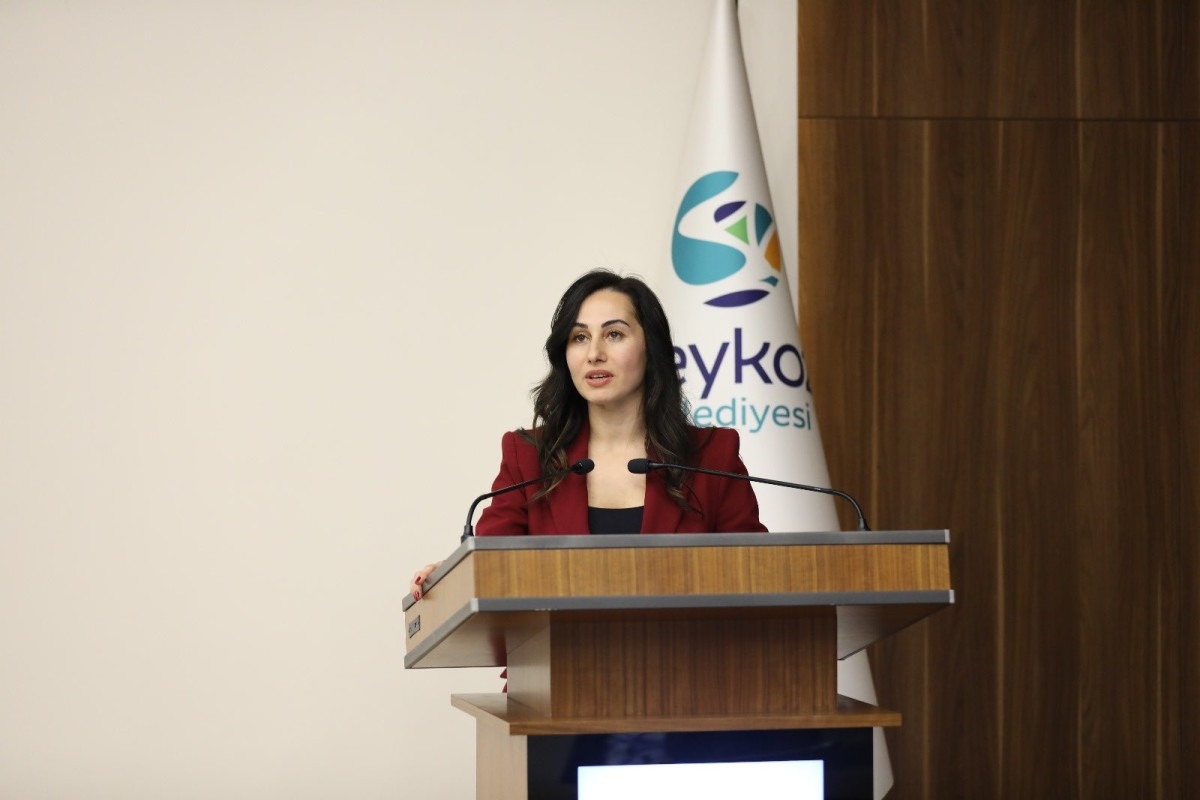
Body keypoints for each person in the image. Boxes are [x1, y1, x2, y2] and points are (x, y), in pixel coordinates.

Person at [410, 269, 766, 600]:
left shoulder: (711, 457)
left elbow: (758, 573)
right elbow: (491, 567)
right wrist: (453, 578)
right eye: (580, 338)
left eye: (614, 334)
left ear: (651, 347)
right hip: (558, 648)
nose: (595, 354)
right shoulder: (529, 458)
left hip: (687, 648)